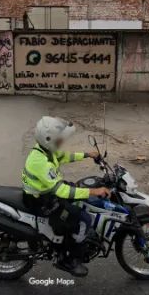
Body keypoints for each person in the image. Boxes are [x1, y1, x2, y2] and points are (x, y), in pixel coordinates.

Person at [22, 116, 110, 277]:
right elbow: (61, 191)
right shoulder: (40, 161)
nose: (62, 142)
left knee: (78, 195)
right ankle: (68, 259)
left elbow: (63, 157)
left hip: (45, 193)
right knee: (83, 219)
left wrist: (87, 154)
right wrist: (94, 191)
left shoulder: (45, 150)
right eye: (59, 140)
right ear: (48, 139)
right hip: (41, 201)